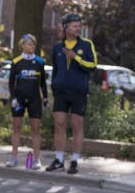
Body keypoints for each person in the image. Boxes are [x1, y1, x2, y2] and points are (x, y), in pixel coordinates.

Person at [46, 13, 97, 175]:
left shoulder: (87, 45)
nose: (78, 28)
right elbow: (55, 69)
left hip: (78, 92)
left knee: (77, 125)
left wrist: (76, 58)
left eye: (79, 26)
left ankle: (74, 161)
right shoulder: (57, 48)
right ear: (66, 27)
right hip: (61, 91)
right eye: (75, 26)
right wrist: (54, 86)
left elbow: (93, 65)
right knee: (59, 123)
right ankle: (59, 160)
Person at [6, 34, 48, 169]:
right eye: (29, 44)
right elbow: (11, 82)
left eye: (33, 44)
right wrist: (13, 98)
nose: (32, 46)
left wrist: (45, 98)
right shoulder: (16, 61)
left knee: (35, 129)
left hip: (34, 99)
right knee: (16, 127)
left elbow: (43, 83)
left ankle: (36, 159)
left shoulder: (40, 62)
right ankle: (13, 157)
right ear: (22, 46)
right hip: (18, 99)